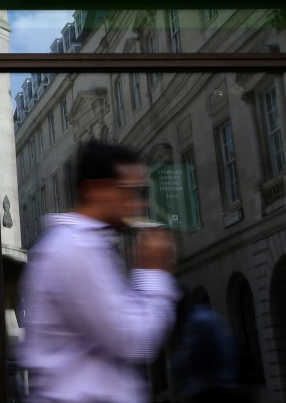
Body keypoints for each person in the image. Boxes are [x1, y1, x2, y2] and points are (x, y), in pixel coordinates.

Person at [16, 141, 180, 403]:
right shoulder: (74, 249)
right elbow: (133, 341)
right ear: (96, 190)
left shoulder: (86, 246)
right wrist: (153, 273)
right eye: (131, 190)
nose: (140, 203)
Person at [170, 285, 243, 402]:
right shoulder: (208, 316)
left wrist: (174, 362)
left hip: (209, 390)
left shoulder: (195, 323)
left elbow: (191, 359)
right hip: (223, 385)